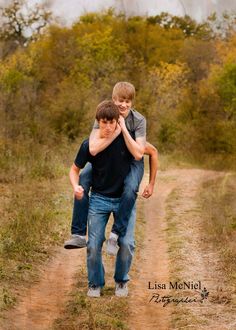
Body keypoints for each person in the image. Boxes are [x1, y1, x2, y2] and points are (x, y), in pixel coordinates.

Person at [69, 100, 156, 297]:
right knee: (93, 244)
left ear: (119, 121)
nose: (108, 127)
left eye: (112, 122)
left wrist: (151, 183)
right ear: (98, 122)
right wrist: (76, 186)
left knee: (127, 244)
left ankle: (121, 281)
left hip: (123, 202)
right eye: (104, 122)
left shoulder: (129, 140)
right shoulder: (89, 145)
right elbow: (74, 170)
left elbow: (150, 152)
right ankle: (95, 283)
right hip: (99, 199)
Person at [64, 82, 157, 255]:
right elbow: (92, 147)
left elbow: (139, 154)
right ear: (113, 100)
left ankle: (116, 233)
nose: (123, 104)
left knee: (130, 188)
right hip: (106, 158)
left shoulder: (138, 120)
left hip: (131, 160)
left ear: (132, 102)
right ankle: (78, 233)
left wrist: (122, 129)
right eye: (120, 100)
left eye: (128, 101)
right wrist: (114, 132)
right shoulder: (105, 116)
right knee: (84, 177)